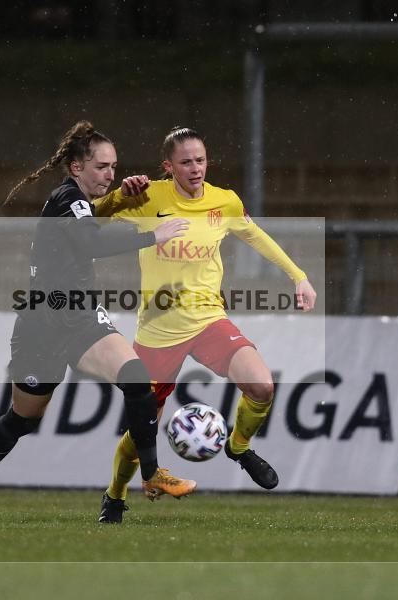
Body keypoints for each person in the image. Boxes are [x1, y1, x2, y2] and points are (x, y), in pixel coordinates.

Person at [0, 121, 196, 524]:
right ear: (76, 168)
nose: (110, 174)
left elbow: (102, 219)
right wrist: (153, 235)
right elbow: (91, 242)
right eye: (102, 167)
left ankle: (152, 474)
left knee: (138, 380)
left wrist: (129, 194)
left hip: (83, 316)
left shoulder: (83, 202)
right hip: (41, 325)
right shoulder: (65, 198)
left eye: (114, 167)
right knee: (23, 420)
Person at [93, 126, 317, 523]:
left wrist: (298, 276)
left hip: (209, 319)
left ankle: (239, 446)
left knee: (262, 385)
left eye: (201, 159)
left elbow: (257, 237)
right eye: (186, 162)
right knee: (141, 430)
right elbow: (91, 217)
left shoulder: (224, 201)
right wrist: (117, 195)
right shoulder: (149, 197)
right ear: (169, 167)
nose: (196, 168)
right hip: (159, 330)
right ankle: (114, 495)